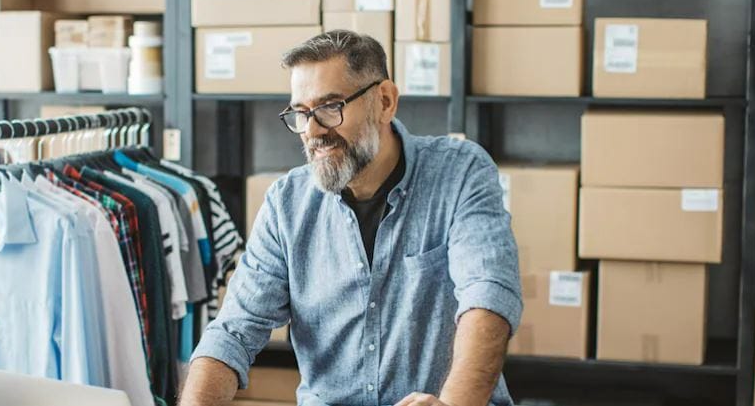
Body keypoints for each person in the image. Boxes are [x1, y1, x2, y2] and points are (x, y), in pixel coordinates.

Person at [181, 30, 522, 406]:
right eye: (300, 113)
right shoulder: (286, 204)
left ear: (385, 102)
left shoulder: (460, 172)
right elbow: (233, 332)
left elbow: (487, 297)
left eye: (330, 107)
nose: (312, 130)